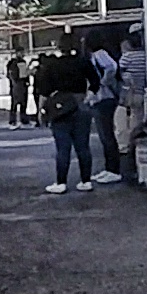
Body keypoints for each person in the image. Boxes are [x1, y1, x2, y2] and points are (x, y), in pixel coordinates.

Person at [34, 32, 102, 193]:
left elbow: (44, 90)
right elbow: (95, 81)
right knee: (83, 146)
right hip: (81, 105)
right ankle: (86, 181)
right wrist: (88, 96)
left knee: (63, 148)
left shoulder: (52, 64)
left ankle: (61, 182)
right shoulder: (83, 61)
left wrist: (40, 111)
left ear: (59, 46)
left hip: (60, 107)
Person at [86, 35, 124, 184]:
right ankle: (109, 169)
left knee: (107, 135)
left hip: (104, 98)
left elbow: (111, 67)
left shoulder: (99, 54)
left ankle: (113, 170)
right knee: (105, 135)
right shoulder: (99, 54)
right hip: (103, 98)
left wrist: (102, 82)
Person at [117, 25, 147, 176]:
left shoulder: (127, 56)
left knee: (123, 124)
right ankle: (133, 147)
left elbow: (120, 72)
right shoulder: (146, 55)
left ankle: (126, 152)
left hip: (128, 94)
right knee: (138, 122)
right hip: (142, 93)